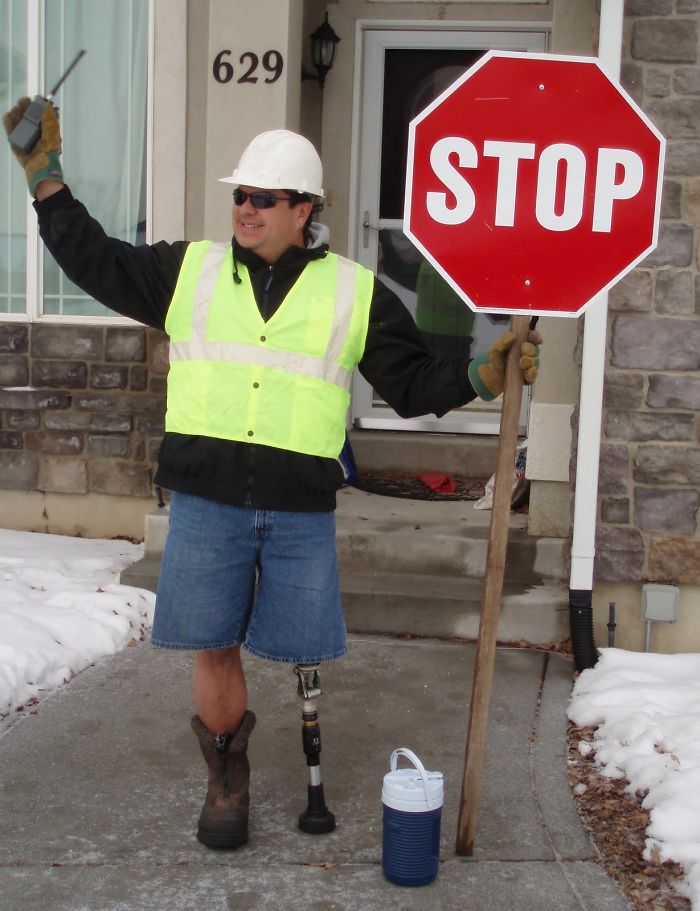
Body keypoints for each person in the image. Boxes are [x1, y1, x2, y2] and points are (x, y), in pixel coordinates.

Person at [3, 99, 541, 851]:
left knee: (298, 648)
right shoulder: (185, 271)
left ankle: (277, 745)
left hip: (297, 508)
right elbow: (95, 260)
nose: (246, 209)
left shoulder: (354, 292)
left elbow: (414, 384)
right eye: (239, 195)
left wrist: (483, 376)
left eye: (264, 198)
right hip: (206, 500)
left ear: (303, 211)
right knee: (212, 644)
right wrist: (47, 180)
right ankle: (227, 775)